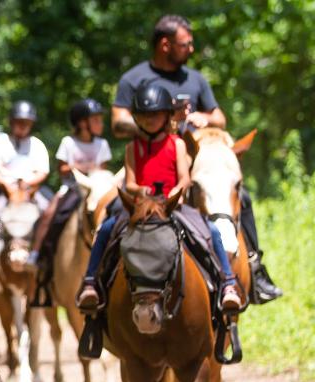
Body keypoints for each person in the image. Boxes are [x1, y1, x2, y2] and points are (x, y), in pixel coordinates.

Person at [111, 14, 281, 303]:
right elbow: (117, 123)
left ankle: (253, 267)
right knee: (112, 205)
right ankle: (108, 281)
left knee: (242, 198)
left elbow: (220, 117)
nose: (191, 49)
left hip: (195, 158)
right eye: (185, 44)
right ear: (165, 44)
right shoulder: (135, 78)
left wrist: (203, 117)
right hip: (147, 157)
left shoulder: (195, 79)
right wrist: (158, 124)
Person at [76, 82, 241, 312]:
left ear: (166, 116)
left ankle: (227, 284)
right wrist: (138, 192)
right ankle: (92, 282)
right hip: (140, 207)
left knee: (210, 231)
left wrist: (176, 192)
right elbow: (131, 182)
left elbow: (184, 178)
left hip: (173, 206)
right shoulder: (132, 148)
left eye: (155, 114)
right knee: (106, 230)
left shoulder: (178, 145)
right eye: (143, 115)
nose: (149, 120)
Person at [29, 98, 112, 265]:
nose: (100, 123)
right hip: (72, 187)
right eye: (95, 120)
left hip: (95, 188)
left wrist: (79, 167)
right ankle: (38, 252)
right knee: (49, 214)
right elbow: (62, 169)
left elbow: (101, 171)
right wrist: (83, 167)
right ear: (82, 123)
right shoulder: (68, 142)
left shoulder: (102, 144)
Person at [0, 100, 52, 223]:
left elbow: (42, 172)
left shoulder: (37, 144)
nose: (23, 126)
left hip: (31, 189)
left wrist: (28, 183)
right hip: (2, 190)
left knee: (53, 213)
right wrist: (5, 184)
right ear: (12, 122)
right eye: (20, 122)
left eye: (27, 123)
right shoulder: (0, 141)